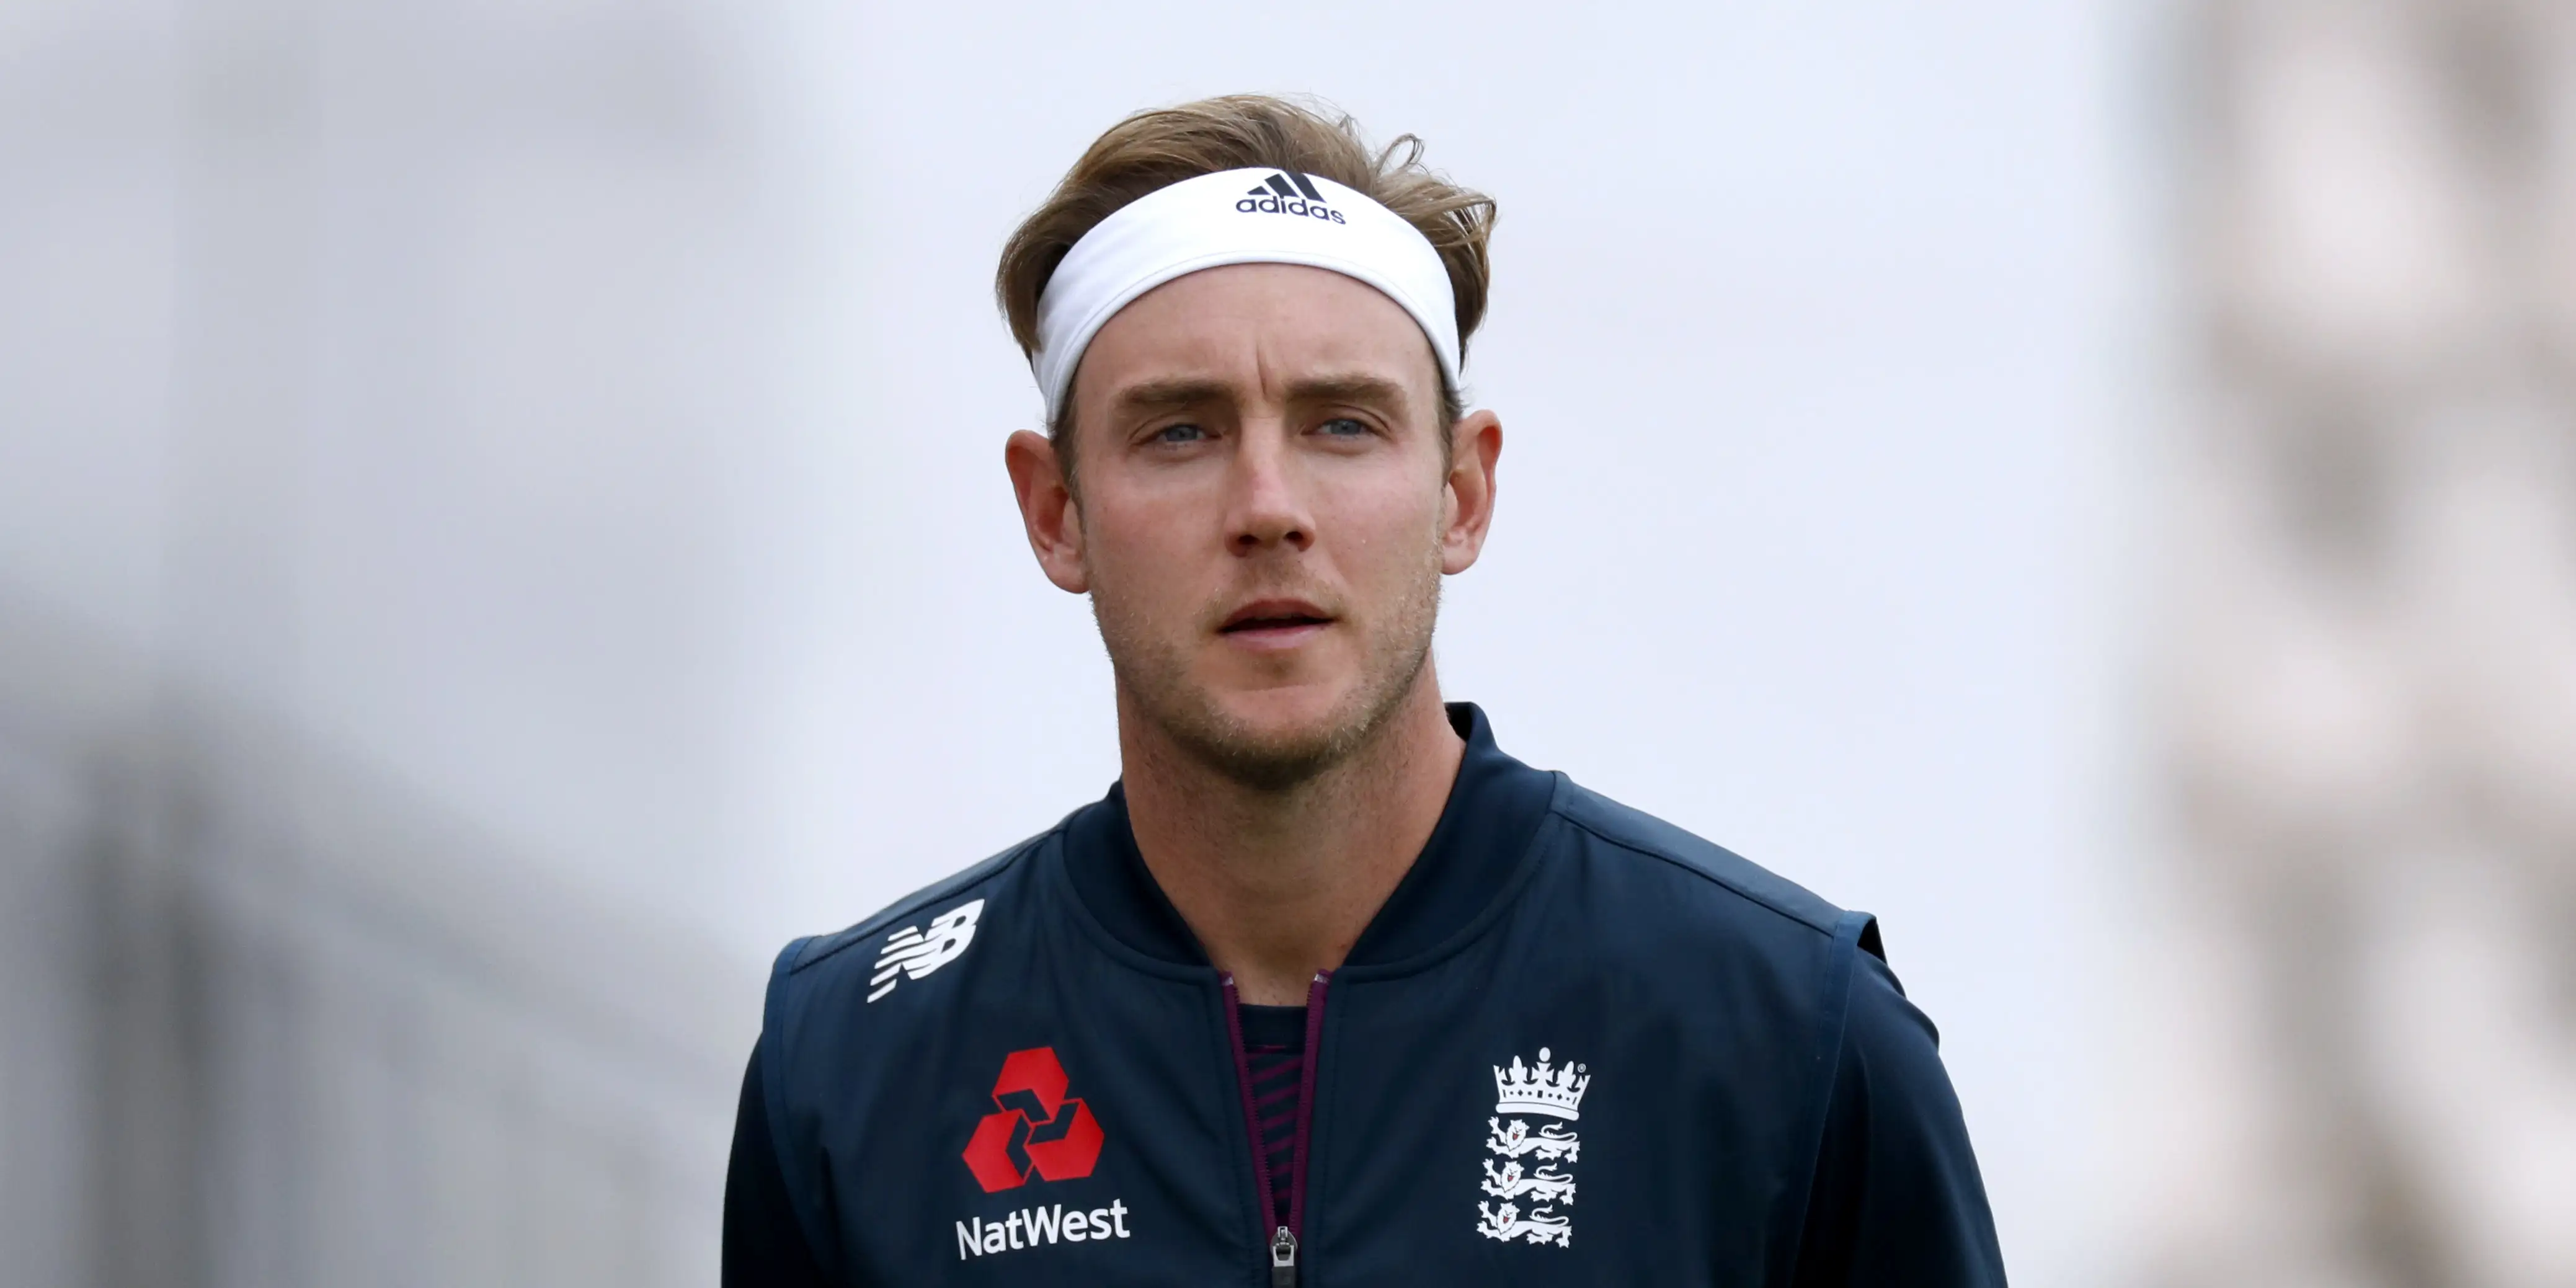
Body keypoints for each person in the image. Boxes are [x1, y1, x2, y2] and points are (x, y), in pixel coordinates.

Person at [722, 94, 2006, 1286]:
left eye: (1341, 423)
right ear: (1056, 512)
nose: (1266, 507)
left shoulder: (1787, 1037)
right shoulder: (853, 1064)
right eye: (1180, 430)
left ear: (1461, 493)